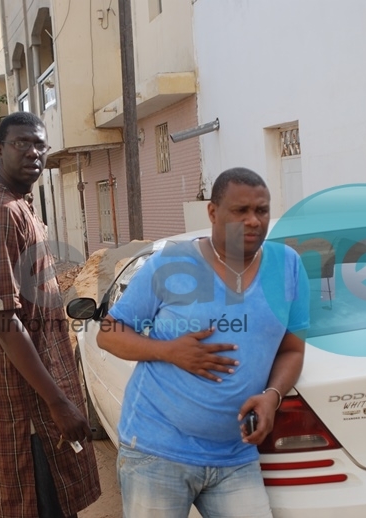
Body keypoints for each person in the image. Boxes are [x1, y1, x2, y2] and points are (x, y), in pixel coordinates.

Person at [97, 168, 309, 518]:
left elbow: (292, 350)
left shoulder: (287, 266)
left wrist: (272, 396)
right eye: (241, 211)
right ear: (213, 212)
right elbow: (109, 332)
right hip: (157, 449)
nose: (253, 220)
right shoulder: (170, 263)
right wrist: (169, 351)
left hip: (235, 454)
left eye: (262, 210)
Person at [0, 111, 101, 518]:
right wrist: (58, 403)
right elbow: (4, 320)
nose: (33, 153)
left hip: (32, 380)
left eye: (40, 145)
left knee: (53, 497)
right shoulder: (0, 213)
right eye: (22, 143)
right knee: (35, 497)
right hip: (20, 394)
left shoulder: (18, 205)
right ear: (0, 148)